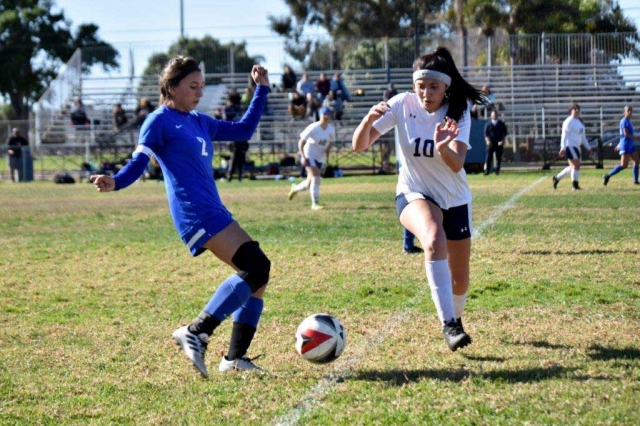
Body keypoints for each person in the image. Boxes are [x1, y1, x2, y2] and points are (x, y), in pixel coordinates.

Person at [90, 56, 271, 377]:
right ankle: (197, 331)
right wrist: (115, 181)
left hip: (215, 209)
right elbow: (139, 161)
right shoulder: (158, 120)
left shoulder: (199, 121)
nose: (199, 92)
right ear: (171, 88)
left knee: (257, 277)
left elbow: (243, 131)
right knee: (257, 267)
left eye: (201, 86)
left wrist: (261, 90)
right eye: (192, 86)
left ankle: (234, 359)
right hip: (195, 212)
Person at [352, 46, 485, 352]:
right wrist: (366, 120)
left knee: (460, 282)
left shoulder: (459, 111)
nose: (426, 93)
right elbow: (360, 146)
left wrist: (443, 146)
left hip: (455, 198)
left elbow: (456, 164)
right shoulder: (402, 104)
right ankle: (448, 324)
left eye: (434, 87)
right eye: (421, 86)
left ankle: (456, 317)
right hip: (413, 192)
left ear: (446, 86)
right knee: (433, 237)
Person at [288, 107, 335, 210]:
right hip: (308, 154)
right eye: (325, 114)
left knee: (310, 183)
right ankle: (315, 204)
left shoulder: (331, 129)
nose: (327, 116)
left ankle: (295, 189)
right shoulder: (313, 127)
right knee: (316, 178)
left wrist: (327, 152)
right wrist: (303, 156)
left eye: (328, 114)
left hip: (319, 156)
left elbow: (330, 142)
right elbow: (301, 142)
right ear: (320, 115)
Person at [552, 103, 592, 190]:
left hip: (577, 147)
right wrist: (563, 147)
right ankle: (575, 186)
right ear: (571, 110)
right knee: (576, 165)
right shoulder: (568, 121)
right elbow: (564, 135)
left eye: (578, 109)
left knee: (573, 167)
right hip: (570, 145)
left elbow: (583, 136)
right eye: (575, 109)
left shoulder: (580, 122)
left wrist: (588, 147)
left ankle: (556, 178)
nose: (577, 110)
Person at [603, 105, 640, 186]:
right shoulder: (624, 121)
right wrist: (636, 138)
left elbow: (622, 135)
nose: (630, 112)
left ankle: (636, 180)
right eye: (628, 111)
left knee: (637, 161)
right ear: (624, 112)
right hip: (626, 145)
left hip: (630, 144)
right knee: (624, 165)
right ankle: (607, 176)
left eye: (631, 111)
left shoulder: (628, 121)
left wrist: (619, 144)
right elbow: (625, 134)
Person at [484, 110, 509, 175]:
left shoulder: (501, 124)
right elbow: (486, 134)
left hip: (499, 143)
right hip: (491, 143)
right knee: (489, 157)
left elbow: (505, 133)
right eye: (493, 115)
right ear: (491, 116)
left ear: (497, 115)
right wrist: (488, 141)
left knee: (498, 158)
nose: (494, 116)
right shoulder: (488, 124)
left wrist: (502, 141)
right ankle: (487, 171)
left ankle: (497, 171)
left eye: (495, 114)